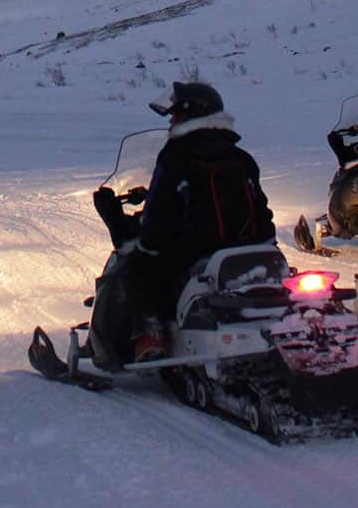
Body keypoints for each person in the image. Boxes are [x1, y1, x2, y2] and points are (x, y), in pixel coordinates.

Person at [103, 80, 274, 362]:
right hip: (253, 253)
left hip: (195, 253)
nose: (170, 120)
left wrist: (143, 242)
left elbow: (159, 220)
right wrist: (267, 245)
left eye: (174, 115)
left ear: (188, 115)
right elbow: (262, 210)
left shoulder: (175, 158)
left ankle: (151, 335)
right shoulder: (241, 157)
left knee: (135, 268)